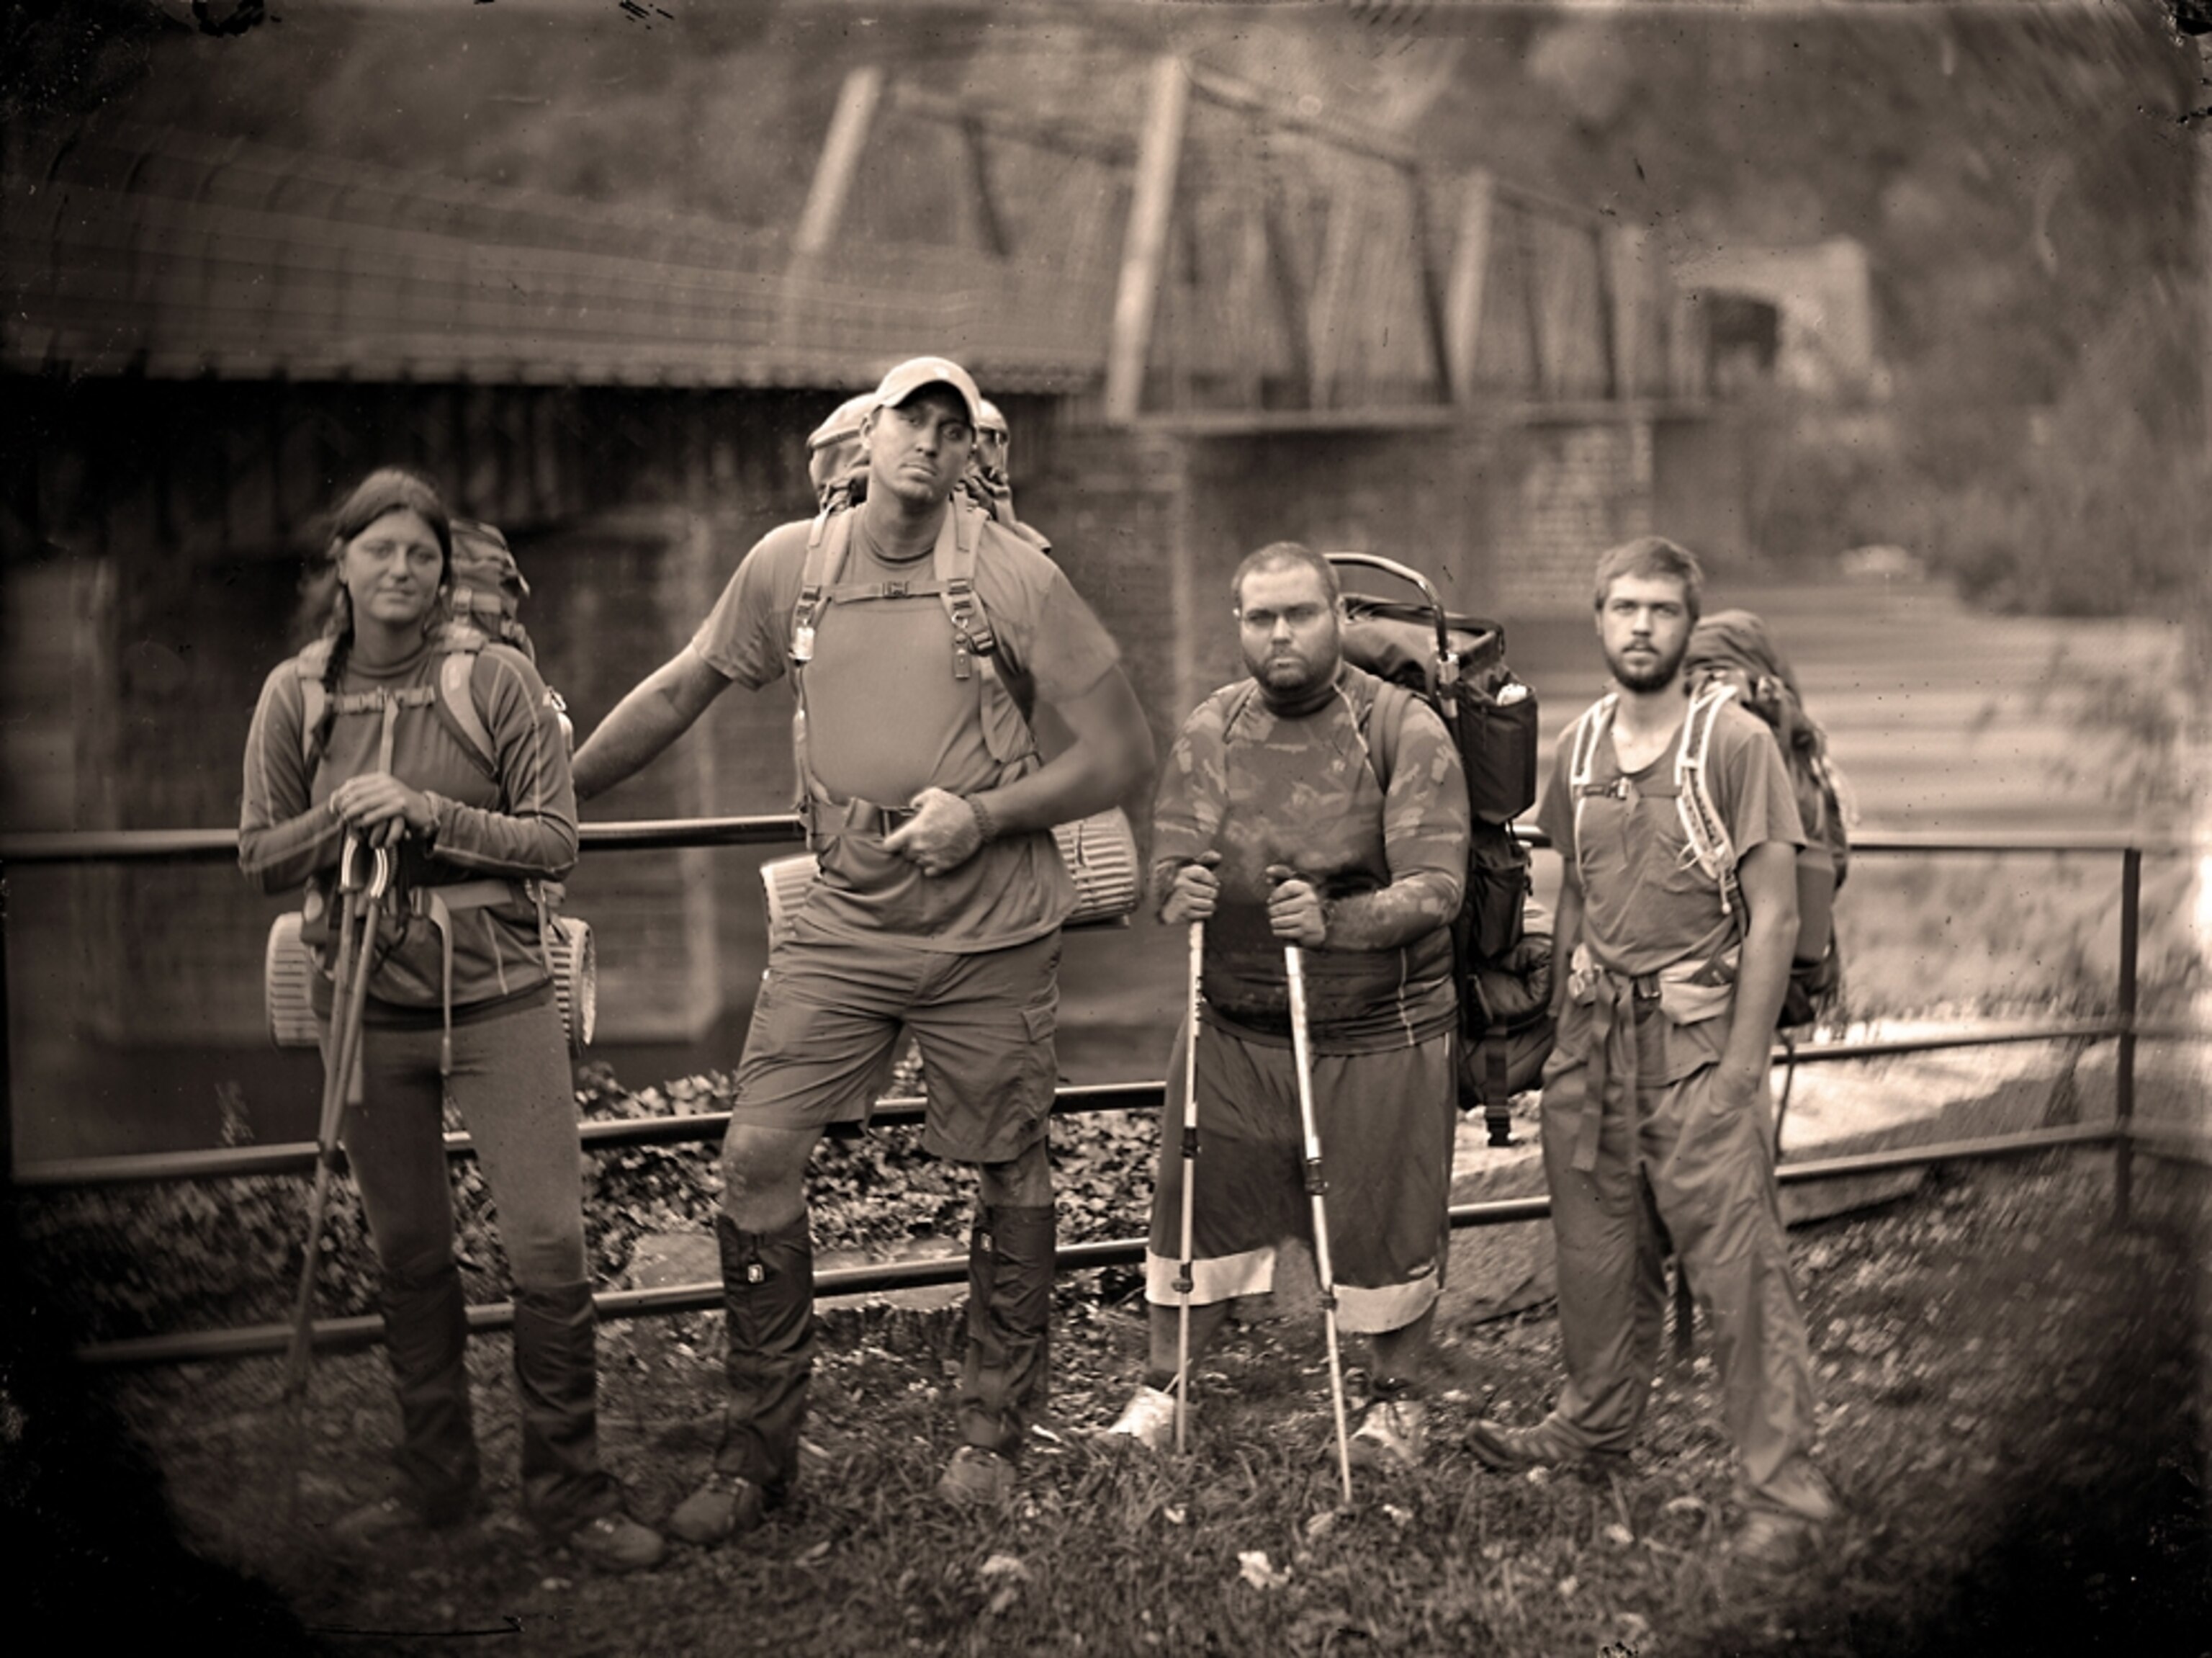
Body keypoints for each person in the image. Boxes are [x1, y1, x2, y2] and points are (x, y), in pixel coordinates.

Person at [569, 356, 1154, 1533]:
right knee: (752, 1157)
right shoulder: (789, 565)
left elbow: (1123, 756)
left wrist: (984, 813)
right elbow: (685, 684)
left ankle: (992, 1428)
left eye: (951, 428)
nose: (929, 445)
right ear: (871, 433)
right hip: (844, 916)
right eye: (911, 420)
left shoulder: (1011, 571)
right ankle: (757, 1453)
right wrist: (557, 803)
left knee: (1006, 1164)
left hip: (988, 923)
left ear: (967, 451)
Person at [238, 469, 664, 1573]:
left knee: (550, 1245)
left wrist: (428, 811)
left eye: (420, 554)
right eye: (378, 549)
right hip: (364, 1004)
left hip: (500, 998)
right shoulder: (296, 697)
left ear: (441, 572)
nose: (400, 570)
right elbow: (256, 855)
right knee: (412, 1250)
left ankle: (566, 1494)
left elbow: (556, 838)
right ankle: (439, 1487)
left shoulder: (498, 681)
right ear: (341, 562)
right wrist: (335, 818)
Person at [1465, 536, 1838, 1569]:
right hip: (1594, 1048)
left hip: (1695, 1045)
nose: (1640, 625)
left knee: (1738, 1273)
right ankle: (1594, 1426)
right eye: (1623, 606)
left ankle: (1784, 1489)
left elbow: (1771, 918)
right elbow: (1573, 891)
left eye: (1661, 610)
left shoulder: (1734, 744)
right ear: (1598, 618)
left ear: (1687, 624)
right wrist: (1561, 1029)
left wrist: (1739, 1070)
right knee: (1595, 1259)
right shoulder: (1578, 744)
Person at [1105, 542, 1470, 1469]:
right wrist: (1175, 892)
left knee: (1384, 1217)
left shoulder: (1402, 728)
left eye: (1299, 614)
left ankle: (1395, 1401)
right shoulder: (1209, 730)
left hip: (1376, 1028)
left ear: (1337, 615)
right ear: (1238, 624)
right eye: (1261, 617)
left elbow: (1438, 887)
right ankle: (1165, 1388)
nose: (1280, 634)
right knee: (1196, 1205)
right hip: (1233, 1021)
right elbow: (1171, 865)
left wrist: (1336, 922)